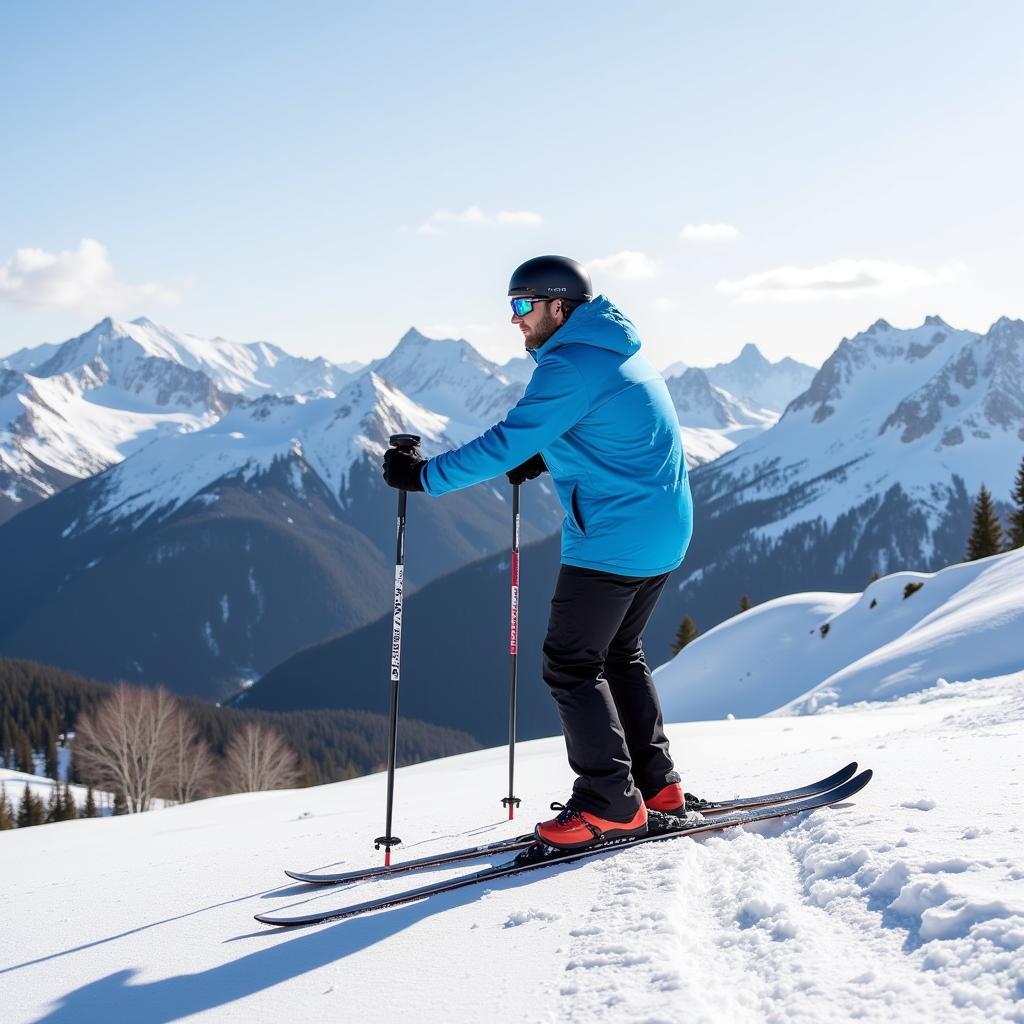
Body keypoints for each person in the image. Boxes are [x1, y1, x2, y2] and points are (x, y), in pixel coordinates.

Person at [382, 254, 693, 850]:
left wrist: (423, 478)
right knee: (619, 654)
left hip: (614, 537)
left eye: (524, 306)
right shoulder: (612, 350)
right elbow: (616, 433)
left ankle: (609, 802)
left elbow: (504, 441)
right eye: (512, 307)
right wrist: (547, 453)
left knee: (570, 662)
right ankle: (657, 788)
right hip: (661, 528)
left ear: (559, 307)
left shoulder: (570, 365)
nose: (516, 319)